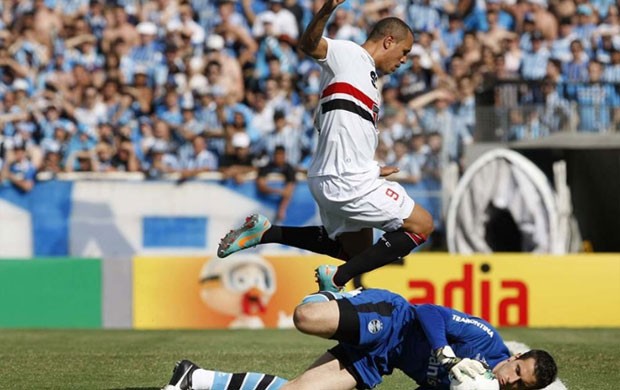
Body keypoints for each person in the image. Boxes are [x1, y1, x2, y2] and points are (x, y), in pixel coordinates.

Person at [217, 0, 434, 293]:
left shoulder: (365, 77)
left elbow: (345, 128)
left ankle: (267, 233)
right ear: (388, 41)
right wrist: (325, 11)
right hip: (345, 179)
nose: (404, 59)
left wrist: (374, 168)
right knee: (422, 225)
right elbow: (309, 45)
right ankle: (338, 278)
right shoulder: (349, 54)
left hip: (334, 175)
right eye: (404, 51)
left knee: (357, 253)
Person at [163, 288, 558, 390]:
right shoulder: (486, 341)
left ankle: (193, 377)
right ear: (516, 356)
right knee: (306, 316)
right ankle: (334, 290)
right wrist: (446, 353)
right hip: (392, 320)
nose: (512, 380)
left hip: (379, 362)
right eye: (517, 370)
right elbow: (428, 311)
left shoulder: (480, 387)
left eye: (520, 384)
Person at [256, 145, 297, 223]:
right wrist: (277, 191)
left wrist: (282, 208)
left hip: (279, 210)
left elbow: (289, 189)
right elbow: (261, 186)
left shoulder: (289, 168)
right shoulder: (267, 167)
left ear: (285, 155)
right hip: (263, 205)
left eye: (281, 154)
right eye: (277, 154)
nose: (279, 157)